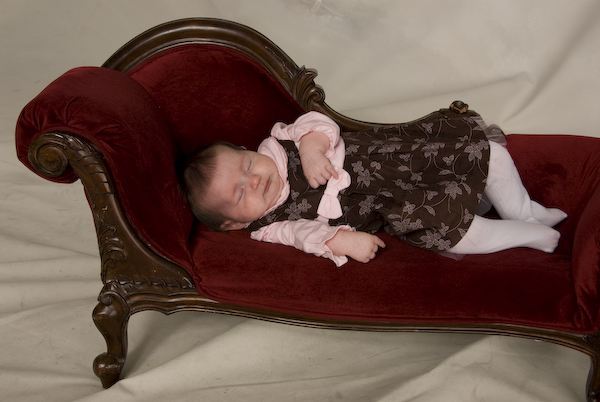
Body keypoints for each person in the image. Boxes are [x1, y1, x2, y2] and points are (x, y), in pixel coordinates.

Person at [182, 103, 566, 266]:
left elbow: (316, 122)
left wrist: (312, 150)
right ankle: (532, 235)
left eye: (246, 165)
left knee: (490, 156)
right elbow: (303, 235)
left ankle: (527, 211)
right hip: (392, 202)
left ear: (247, 150)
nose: (254, 179)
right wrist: (341, 241)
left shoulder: (279, 140)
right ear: (233, 223)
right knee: (460, 234)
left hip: (392, 157)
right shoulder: (269, 226)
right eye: (240, 193)